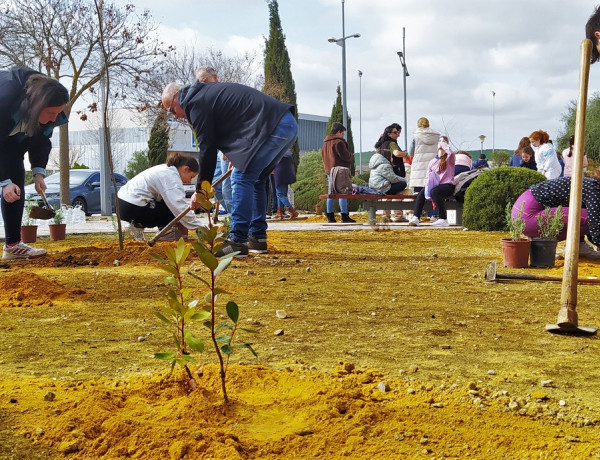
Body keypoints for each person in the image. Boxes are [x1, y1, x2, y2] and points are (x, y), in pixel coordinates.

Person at [161, 80, 297, 257]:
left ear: (177, 96)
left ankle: (238, 241)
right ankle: (257, 237)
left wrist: (201, 190)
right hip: (287, 124)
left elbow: (207, 148)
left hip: (272, 126)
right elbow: (237, 120)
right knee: (256, 180)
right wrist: (238, 156)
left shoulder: (195, 103)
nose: (175, 116)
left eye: (172, 110)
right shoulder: (205, 95)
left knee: (241, 177)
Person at [0, 67, 69, 260]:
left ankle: (13, 246)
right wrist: (3, 182)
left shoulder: (48, 104)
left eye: (58, 113)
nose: (54, 118)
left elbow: (41, 140)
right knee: (7, 183)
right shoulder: (5, 97)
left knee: (16, 181)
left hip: (8, 138)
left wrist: (39, 173)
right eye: (50, 113)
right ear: (36, 105)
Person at [118, 152, 203, 240]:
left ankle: (135, 227)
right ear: (185, 169)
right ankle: (168, 236)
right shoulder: (172, 177)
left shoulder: (165, 169)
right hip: (133, 206)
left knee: (165, 204)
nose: (189, 181)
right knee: (171, 210)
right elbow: (180, 207)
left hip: (121, 203)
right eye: (191, 176)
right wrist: (199, 228)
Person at [512, 175, 600, 259]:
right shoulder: (593, 189)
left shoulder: (590, 185)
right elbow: (594, 223)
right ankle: (540, 243)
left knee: (583, 215)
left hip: (523, 210)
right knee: (588, 218)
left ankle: (578, 246)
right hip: (527, 215)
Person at [196, 66, 232, 215]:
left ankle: (235, 221)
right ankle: (231, 212)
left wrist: (227, 150)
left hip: (227, 147)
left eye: (205, 81)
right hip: (218, 150)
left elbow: (231, 121)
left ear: (215, 78)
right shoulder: (207, 99)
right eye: (200, 82)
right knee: (215, 185)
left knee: (227, 187)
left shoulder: (223, 95)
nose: (203, 85)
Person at [408, 136, 456, 228]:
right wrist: (427, 187)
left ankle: (443, 218)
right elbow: (428, 176)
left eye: (444, 142)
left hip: (447, 185)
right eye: (440, 141)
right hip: (435, 185)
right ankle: (416, 217)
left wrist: (443, 145)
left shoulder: (449, 158)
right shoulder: (432, 161)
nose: (442, 143)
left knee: (435, 192)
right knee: (422, 192)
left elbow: (451, 153)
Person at [321, 122, 356, 223]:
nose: (343, 135)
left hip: (329, 171)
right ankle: (344, 216)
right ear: (338, 132)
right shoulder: (339, 142)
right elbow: (345, 156)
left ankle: (330, 216)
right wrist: (351, 156)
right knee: (342, 192)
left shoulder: (326, 143)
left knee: (331, 192)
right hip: (340, 171)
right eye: (342, 133)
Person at [408, 117, 440, 192]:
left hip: (419, 164)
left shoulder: (416, 136)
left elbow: (410, 152)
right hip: (433, 164)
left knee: (418, 191)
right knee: (431, 189)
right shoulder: (436, 136)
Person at [273, 149, 298, 219]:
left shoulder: (277, 150)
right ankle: (279, 212)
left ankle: (292, 211)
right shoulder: (288, 151)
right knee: (282, 194)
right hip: (287, 174)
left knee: (279, 194)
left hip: (279, 174)